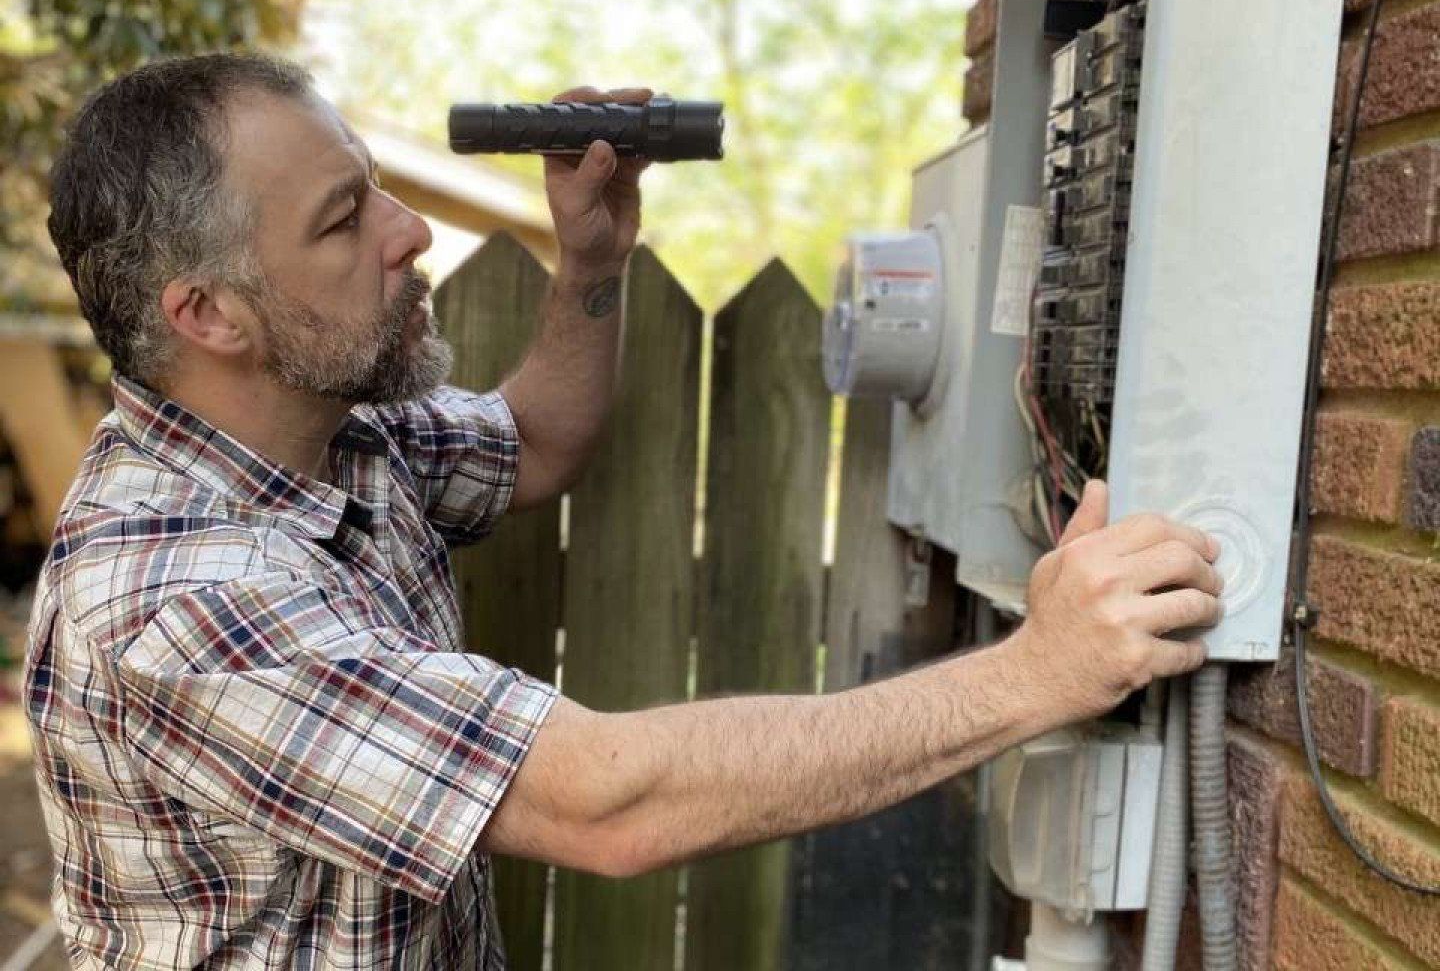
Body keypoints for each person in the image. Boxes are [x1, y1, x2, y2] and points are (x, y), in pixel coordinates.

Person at [25, 52, 1222, 969]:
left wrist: (591, 263)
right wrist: (1038, 673)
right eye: (345, 218)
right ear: (210, 315)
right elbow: (608, 801)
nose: (411, 230)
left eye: (376, 185)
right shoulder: (175, 600)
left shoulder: (334, 439)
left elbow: (536, 439)